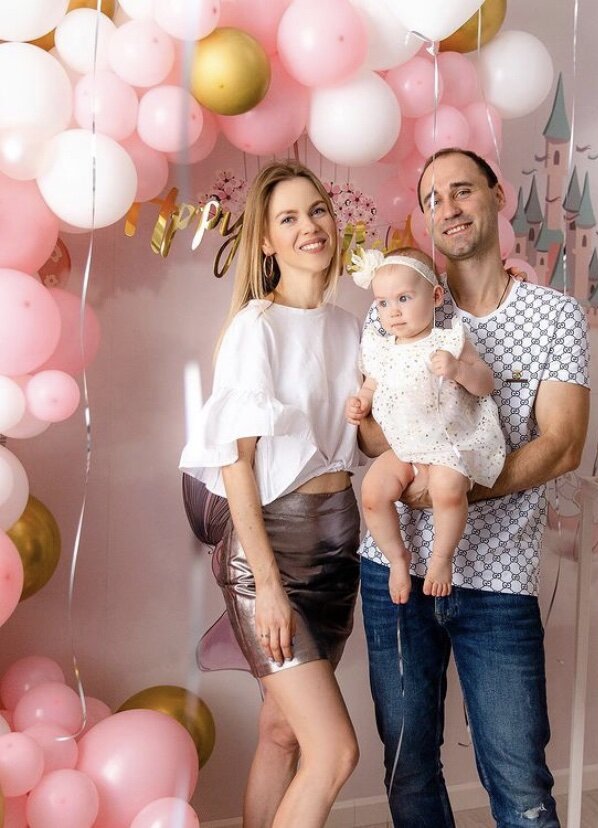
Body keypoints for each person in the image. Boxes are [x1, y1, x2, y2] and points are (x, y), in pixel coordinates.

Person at [356, 148, 591, 828]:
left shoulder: (554, 316)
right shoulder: (394, 304)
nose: (448, 208)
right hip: (395, 575)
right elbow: (371, 433)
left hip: (499, 575)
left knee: (520, 783)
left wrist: (451, 490)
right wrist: (393, 454)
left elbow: (562, 444)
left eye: (462, 190)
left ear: (498, 196)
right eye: (433, 199)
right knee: (408, 769)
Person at [179, 160, 362, 828]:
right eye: (288, 218)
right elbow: (236, 464)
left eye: (317, 210)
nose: (310, 226)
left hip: (337, 557)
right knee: (335, 753)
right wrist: (268, 586)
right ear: (265, 241)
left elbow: (366, 442)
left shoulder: (350, 327)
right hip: (272, 555)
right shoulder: (256, 326)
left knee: (284, 733)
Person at [346, 246, 505, 604]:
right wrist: (361, 402)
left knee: (448, 490)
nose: (393, 311)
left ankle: (441, 559)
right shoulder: (381, 349)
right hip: (404, 447)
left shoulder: (449, 341)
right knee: (372, 494)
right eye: (383, 303)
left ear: (434, 297)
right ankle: (397, 558)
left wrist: (458, 370)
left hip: (448, 444)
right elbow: (370, 386)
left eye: (403, 298)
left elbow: (485, 383)